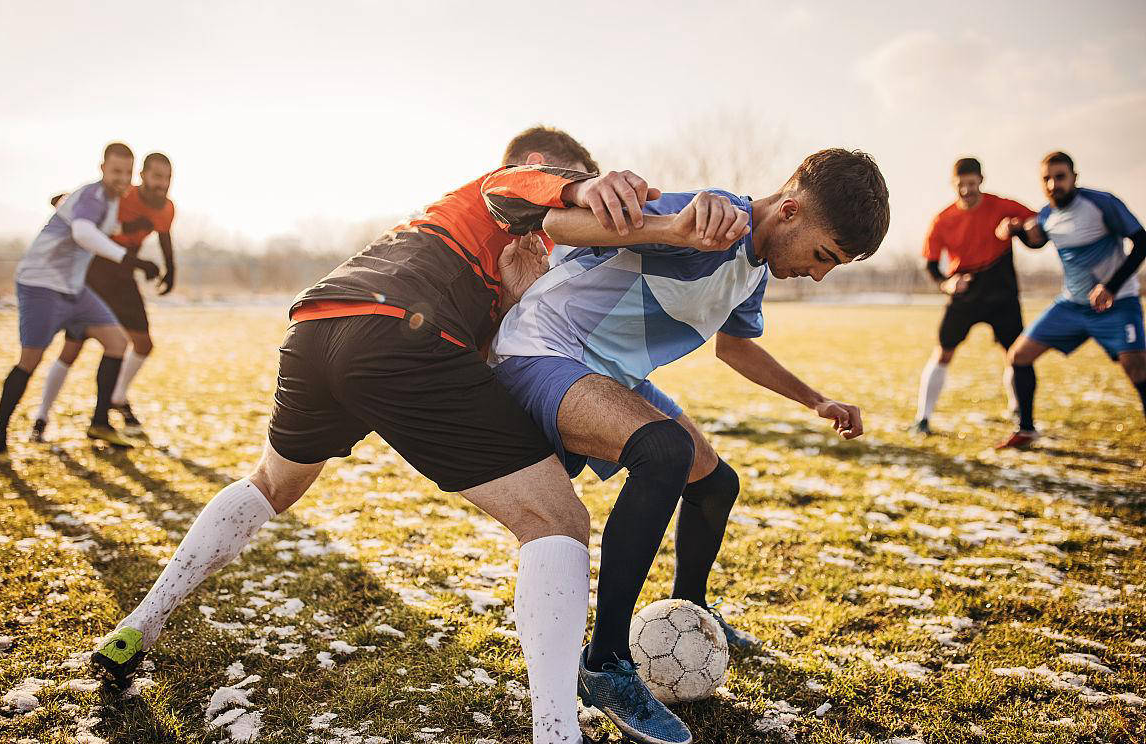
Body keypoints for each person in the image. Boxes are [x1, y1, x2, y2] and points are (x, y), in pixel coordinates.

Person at [90, 147, 725, 743]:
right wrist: (582, 187)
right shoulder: (502, 186)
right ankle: (556, 732)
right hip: (398, 336)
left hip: (317, 327)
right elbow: (521, 184)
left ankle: (139, 625)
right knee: (556, 521)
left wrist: (509, 296)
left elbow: (472, 361)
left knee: (271, 483)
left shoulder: (441, 230)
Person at [492, 148, 889, 743]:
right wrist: (672, 227)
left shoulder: (754, 267)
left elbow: (734, 347)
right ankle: (605, 663)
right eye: (823, 256)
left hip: (609, 374)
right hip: (541, 349)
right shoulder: (713, 217)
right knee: (664, 454)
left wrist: (815, 400)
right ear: (789, 211)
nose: (818, 274)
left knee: (715, 483)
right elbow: (560, 225)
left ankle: (690, 614)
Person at [0, 142, 159, 461]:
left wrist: (130, 228)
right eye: (115, 171)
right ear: (102, 169)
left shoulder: (111, 200)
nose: (122, 178)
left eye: (127, 172)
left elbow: (101, 227)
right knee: (30, 360)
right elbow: (83, 233)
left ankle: (99, 423)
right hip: (41, 285)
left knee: (117, 343)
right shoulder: (93, 195)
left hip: (74, 289)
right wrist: (131, 260)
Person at [997, 151, 1146, 448]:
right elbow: (1037, 242)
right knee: (1018, 357)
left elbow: (1142, 241)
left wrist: (1111, 287)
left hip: (1117, 303)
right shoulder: (1046, 215)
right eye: (1047, 179)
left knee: (1138, 369)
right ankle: (1026, 430)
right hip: (1071, 306)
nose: (1054, 184)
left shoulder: (1101, 203)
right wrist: (1015, 231)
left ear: (1074, 177)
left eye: (1060, 177)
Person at [31, 152, 177, 440]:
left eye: (168, 178)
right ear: (142, 176)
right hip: (94, 273)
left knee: (143, 344)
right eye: (157, 177)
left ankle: (117, 397)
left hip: (124, 278)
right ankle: (41, 416)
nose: (163, 184)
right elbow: (67, 204)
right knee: (72, 348)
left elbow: (164, 235)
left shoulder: (166, 207)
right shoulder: (121, 194)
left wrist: (171, 269)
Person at [912, 157, 1036, 434]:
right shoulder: (942, 220)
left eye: (971, 183)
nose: (966, 190)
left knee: (1015, 354)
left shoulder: (1003, 206)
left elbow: (1038, 226)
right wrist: (947, 284)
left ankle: (1019, 411)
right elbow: (931, 265)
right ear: (953, 184)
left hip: (1002, 293)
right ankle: (922, 418)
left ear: (981, 180)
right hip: (965, 293)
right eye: (961, 185)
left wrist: (1017, 228)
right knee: (943, 352)